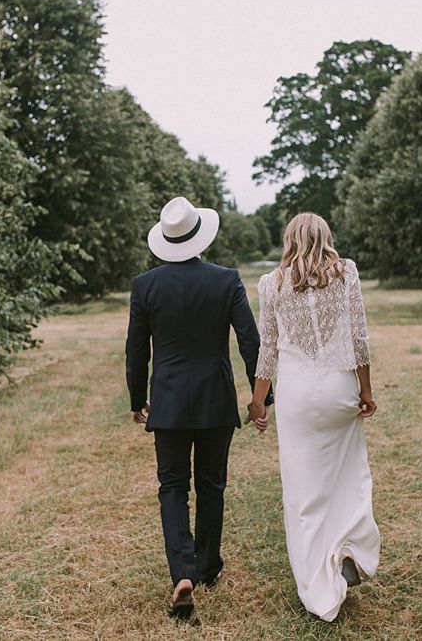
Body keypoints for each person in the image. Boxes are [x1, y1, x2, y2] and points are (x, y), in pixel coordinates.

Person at [125, 196, 272, 619]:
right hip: (215, 401)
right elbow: (251, 341)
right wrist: (263, 398)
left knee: (172, 486)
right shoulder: (226, 280)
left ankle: (182, 573)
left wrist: (139, 400)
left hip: (168, 404)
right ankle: (207, 567)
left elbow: (137, 352)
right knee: (212, 484)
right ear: (200, 235)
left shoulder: (145, 285)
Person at [248, 212, 380, 622]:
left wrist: (258, 402)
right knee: (348, 475)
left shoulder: (272, 284)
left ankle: (321, 594)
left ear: (289, 240)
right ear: (326, 237)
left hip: (298, 397)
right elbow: (359, 338)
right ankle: (350, 552)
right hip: (339, 389)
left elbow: (267, 349)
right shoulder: (347, 275)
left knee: (304, 495)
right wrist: (366, 390)